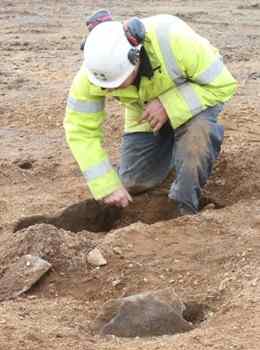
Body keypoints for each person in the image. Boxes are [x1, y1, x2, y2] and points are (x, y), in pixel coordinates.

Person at [64, 11, 237, 215]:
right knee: (134, 181)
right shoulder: (95, 73)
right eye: (107, 87)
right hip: (146, 116)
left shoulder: (175, 41)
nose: (110, 91)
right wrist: (106, 185)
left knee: (197, 137)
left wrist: (168, 105)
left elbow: (223, 85)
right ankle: (172, 154)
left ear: (135, 58)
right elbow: (80, 130)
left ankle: (184, 208)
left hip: (197, 102)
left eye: (117, 84)